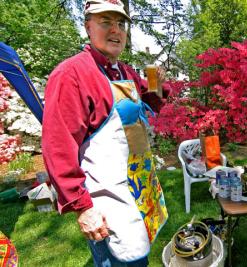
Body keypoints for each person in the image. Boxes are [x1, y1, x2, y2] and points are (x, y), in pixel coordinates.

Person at [41, 1, 168, 266]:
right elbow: (58, 146)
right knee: (123, 259)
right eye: (106, 22)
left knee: (140, 257)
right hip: (107, 198)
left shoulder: (124, 71)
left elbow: (147, 105)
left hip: (139, 187)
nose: (116, 30)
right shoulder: (71, 74)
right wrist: (83, 207)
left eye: (121, 24)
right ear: (88, 27)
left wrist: (158, 85)